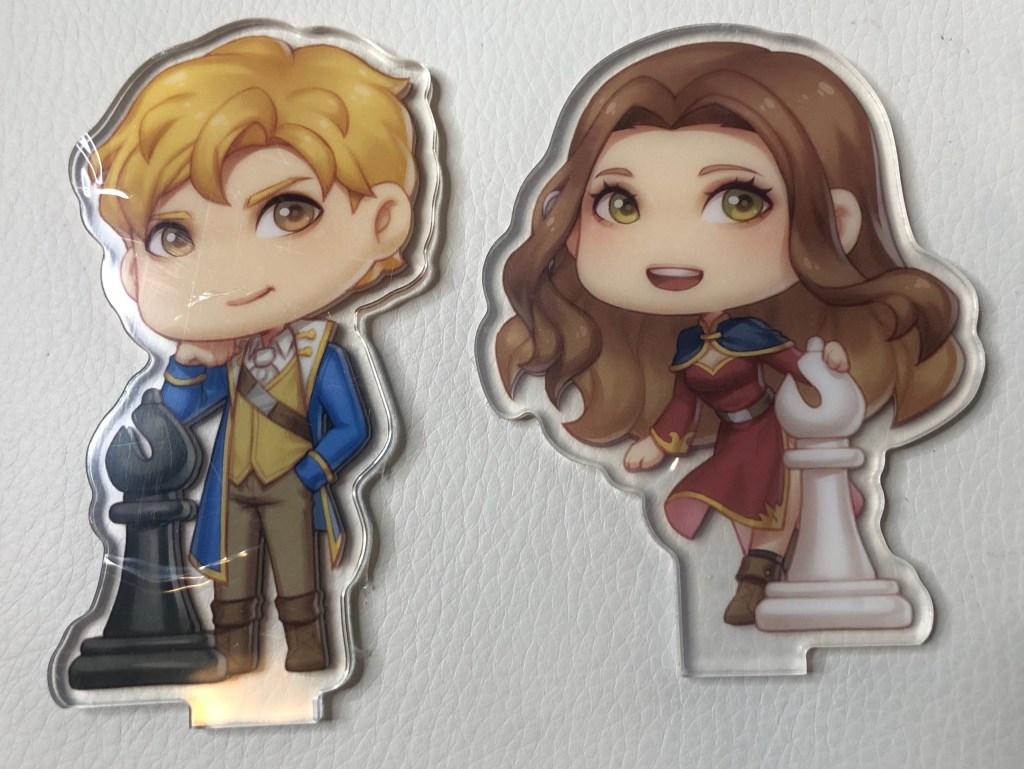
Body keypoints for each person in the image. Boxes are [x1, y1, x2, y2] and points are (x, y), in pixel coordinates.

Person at [495, 42, 963, 625]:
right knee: (743, 503)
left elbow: (790, 361)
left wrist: (822, 373)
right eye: (619, 204)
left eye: (739, 202)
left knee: (771, 504)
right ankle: (760, 575)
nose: (669, 245)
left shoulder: (756, 336)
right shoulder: (685, 349)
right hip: (739, 440)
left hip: (772, 433)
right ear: (571, 230)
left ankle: (759, 579)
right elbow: (683, 398)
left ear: (836, 224)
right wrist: (659, 443)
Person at [94, 36, 417, 672]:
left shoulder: (320, 353)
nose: (232, 271)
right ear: (130, 264)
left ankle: (307, 648)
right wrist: (188, 359)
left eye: (289, 211)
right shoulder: (231, 357)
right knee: (232, 578)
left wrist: (313, 472)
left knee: (298, 576)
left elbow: (355, 426)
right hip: (232, 489)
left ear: (382, 219)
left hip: (292, 485)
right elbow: (180, 411)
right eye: (173, 234)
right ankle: (234, 654)